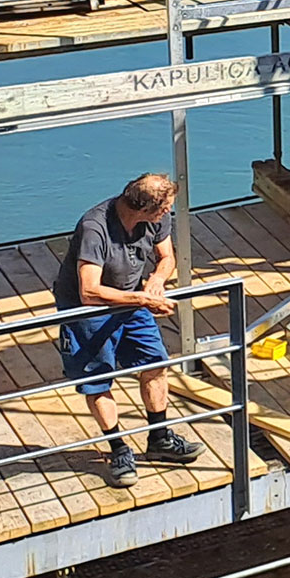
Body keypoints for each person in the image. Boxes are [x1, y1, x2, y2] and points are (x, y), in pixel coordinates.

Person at [53, 172, 202, 486]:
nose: (167, 214)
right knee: (97, 380)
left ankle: (159, 437)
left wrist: (157, 281)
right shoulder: (95, 229)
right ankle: (119, 447)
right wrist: (143, 299)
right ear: (144, 209)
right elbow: (89, 291)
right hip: (89, 311)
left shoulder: (157, 218)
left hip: (133, 299)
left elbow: (166, 257)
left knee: (155, 364)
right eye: (163, 210)